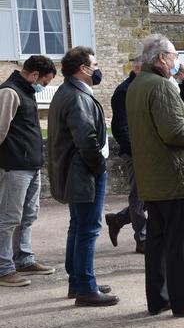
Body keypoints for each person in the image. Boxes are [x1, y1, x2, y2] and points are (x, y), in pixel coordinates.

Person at [126, 34, 184, 317]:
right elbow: (175, 132)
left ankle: (159, 297)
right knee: (179, 243)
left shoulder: (137, 84)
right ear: (162, 58)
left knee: (157, 241)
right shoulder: (160, 87)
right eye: (174, 56)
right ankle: (183, 299)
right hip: (174, 176)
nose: (177, 62)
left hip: (155, 176)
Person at [47, 47, 119, 306]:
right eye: (95, 64)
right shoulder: (76, 96)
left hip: (77, 172)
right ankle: (85, 288)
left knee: (78, 227)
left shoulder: (69, 91)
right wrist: (99, 167)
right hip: (84, 173)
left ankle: (78, 282)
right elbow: (86, 141)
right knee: (88, 228)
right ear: (83, 69)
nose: (98, 69)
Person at [0, 56, 57, 287]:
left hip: (29, 166)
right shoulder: (10, 92)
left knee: (28, 215)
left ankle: (23, 258)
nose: (43, 87)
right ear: (34, 75)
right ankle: (4, 267)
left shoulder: (26, 92)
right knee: (8, 217)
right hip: (14, 166)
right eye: (44, 82)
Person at [106, 55, 147, 254]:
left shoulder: (144, 86)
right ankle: (143, 238)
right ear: (138, 68)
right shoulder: (124, 91)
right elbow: (120, 127)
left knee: (151, 198)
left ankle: (118, 219)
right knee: (139, 196)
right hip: (136, 152)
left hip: (150, 151)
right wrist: (135, 151)